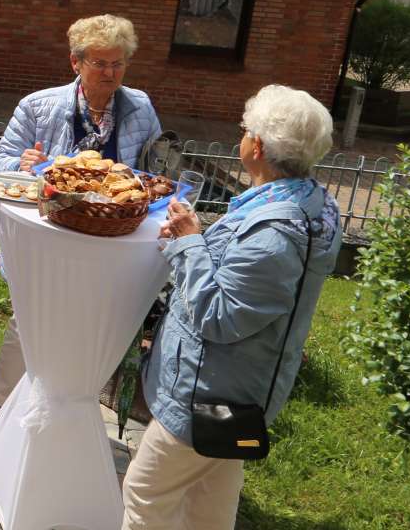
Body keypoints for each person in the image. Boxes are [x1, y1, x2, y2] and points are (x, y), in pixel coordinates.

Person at [122, 85, 342, 530]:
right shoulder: (310, 204)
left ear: (257, 146)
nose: (239, 137)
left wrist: (188, 242)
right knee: (209, 504)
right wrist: (195, 243)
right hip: (238, 390)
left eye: (244, 130)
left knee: (146, 496)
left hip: (206, 393)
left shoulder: (275, 234)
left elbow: (219, 317)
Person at [0, 14, 164, 415]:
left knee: (94, 327)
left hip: (112, 240)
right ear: (76, 63)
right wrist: (24, 163)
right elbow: (0, 167)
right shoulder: (39, 106)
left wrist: (155, 179)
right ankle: (0, 408)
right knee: (31, 320)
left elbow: (153, 172)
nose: (110, 72)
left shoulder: (140, 107)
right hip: (53, 235)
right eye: (99, 63)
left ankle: (66, 408)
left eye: (118, 63)